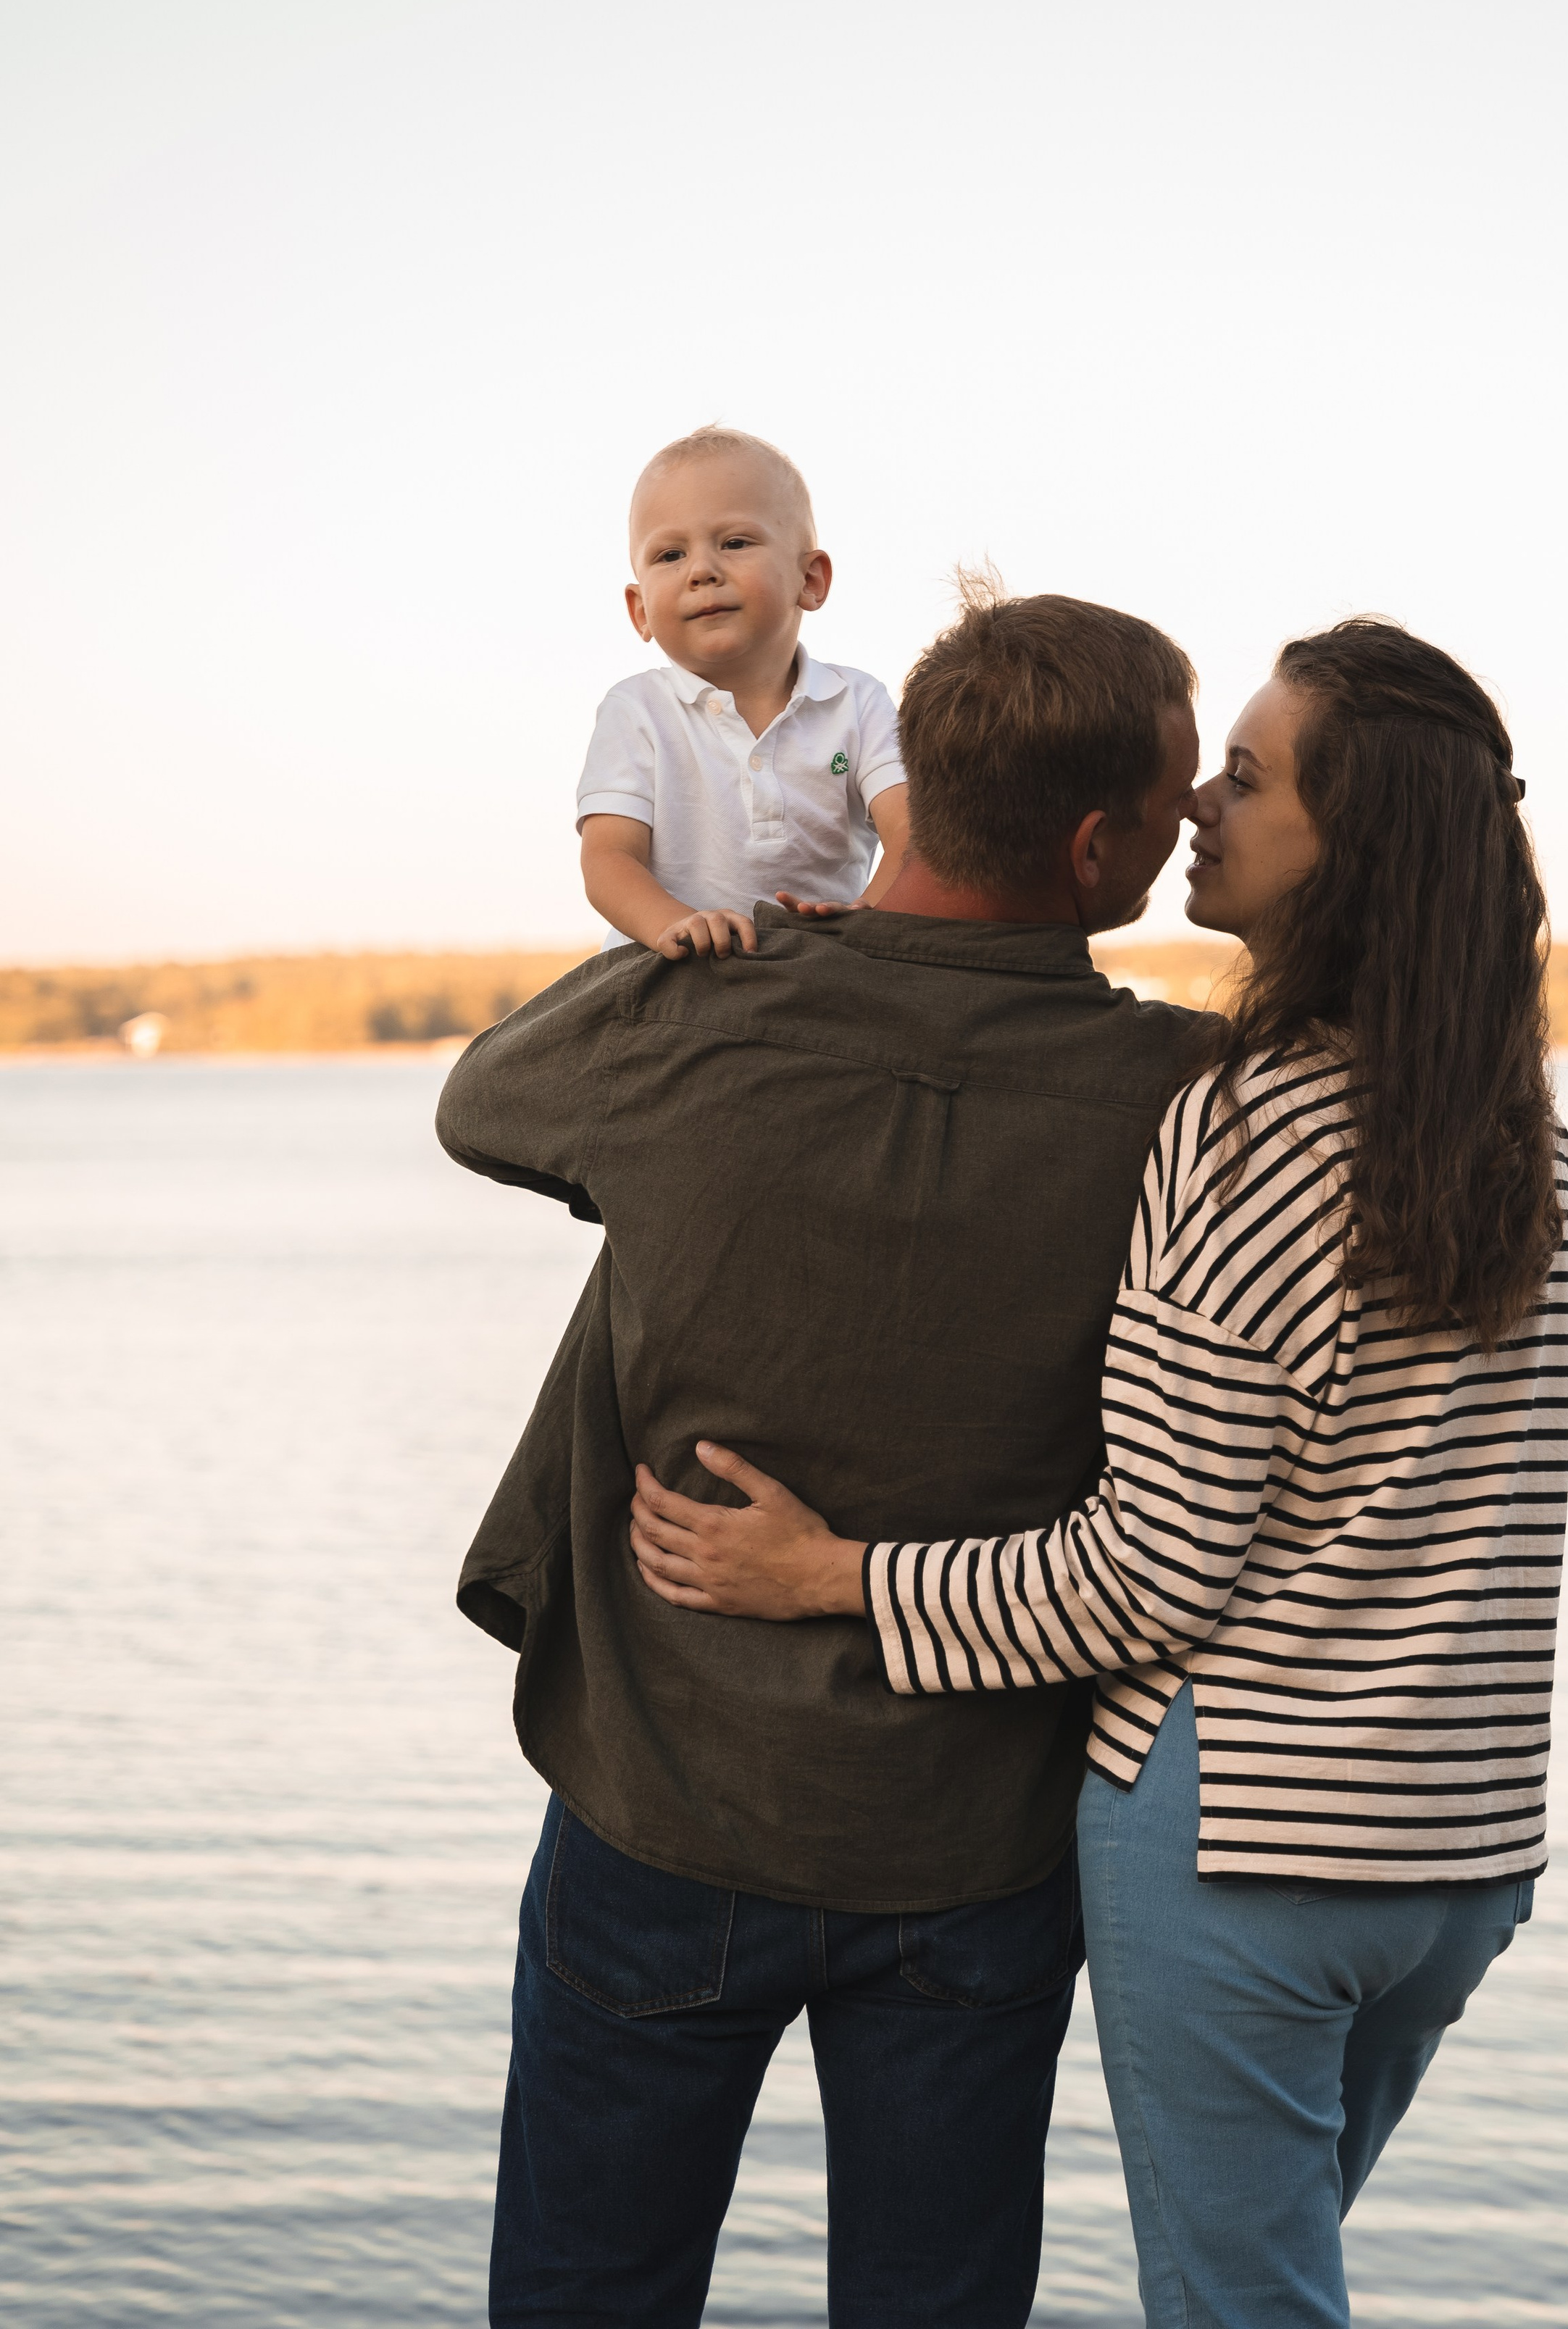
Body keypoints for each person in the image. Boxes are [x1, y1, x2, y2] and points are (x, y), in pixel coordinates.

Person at [630, 619, 1568, 2329]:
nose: (1196, 804)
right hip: (1457, 1854)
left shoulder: (1239, 1131)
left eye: (1247, 774)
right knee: (1277, 2275)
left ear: (1346, 844)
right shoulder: (1522, 1138)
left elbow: (1143, 1574)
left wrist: (829, 1573)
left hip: (1242, 1847)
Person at [437, 581, 1210, 2328]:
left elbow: (482, 1098)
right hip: (971, 1850)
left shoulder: (707, 1008)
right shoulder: (1181, 1091)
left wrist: (717, 930)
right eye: (1168, 807)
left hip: (660, 1807)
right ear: (1092, 846)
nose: (1182, 834)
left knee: (583, 2298)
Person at [576, 423, 911, 959]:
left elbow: (912, 834)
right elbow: (609, 861)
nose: (702, 571)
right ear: (640, 611)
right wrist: (677, 925)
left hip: (822, 964)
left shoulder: (858, 703)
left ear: (811, 580)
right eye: (669, 556)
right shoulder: (636, 710)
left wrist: (869, 921)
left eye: (735, 543)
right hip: (669, 973)